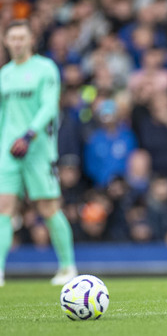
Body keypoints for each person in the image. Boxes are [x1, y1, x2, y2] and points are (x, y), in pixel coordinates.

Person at [0, 20, 77, 286]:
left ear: (32, 40)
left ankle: (68, 267)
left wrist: (29, 135)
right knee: (3, 208)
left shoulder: (45, 69)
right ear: (6, 41)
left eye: (22, 37)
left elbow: (49, 107)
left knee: (48, 208)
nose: (17, 42)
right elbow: (3, 115)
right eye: (13, 38)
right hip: (9, 151)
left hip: (37, 149)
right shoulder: (5, 74)